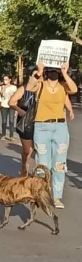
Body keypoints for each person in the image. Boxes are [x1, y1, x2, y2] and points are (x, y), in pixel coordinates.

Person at [25, 62, 78, 208]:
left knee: (59, 164)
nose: (54, 73)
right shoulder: (40, 84)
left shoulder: (63, 86)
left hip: (60, 127)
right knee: (43, 164)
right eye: (51, 70)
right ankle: (41, 195)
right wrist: (39, 72)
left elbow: (73, 89)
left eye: (56, 71)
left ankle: (57, 197)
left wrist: (66, 73)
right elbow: (29, 87)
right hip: (42, 126)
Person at [0, 74, 17, 140]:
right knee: (4, 121)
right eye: (4, 79)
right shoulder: (1, 87)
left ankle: (11, 135)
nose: (5, 81)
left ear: (9, 80)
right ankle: (3, 134)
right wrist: (2, 90)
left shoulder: (14, 87)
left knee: (11, 121)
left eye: (6, 79)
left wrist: (16, 107)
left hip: (12, 106)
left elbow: (16, 97)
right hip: (4, 105)